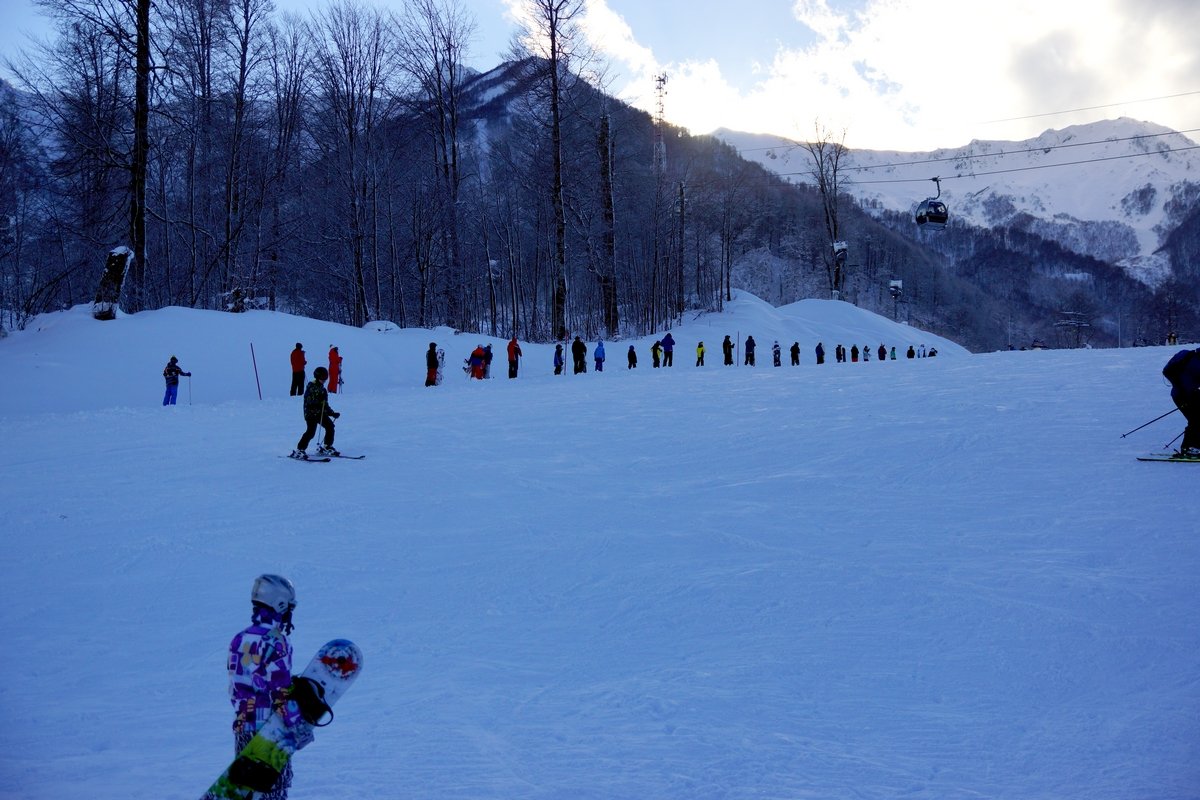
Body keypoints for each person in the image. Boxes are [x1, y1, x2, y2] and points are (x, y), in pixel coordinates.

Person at [227, 574, 299, 800]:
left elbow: (236, 686)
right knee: (273, 788)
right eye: (288, 608)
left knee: (248, 787)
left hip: (244, 726)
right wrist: (296, 723)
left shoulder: (239, 639)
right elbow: (281, 690)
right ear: (279, 604)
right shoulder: (276, 641)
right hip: (271, 729)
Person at [292, 366, 339, 458]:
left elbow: (325, 404)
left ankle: (327, 446)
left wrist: (332, 413)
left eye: (325, 379)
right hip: (310, 413)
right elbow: (309, 402)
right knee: (311, 432)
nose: (324, 381)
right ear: (317, 377)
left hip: (319, 413)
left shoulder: (323, 389)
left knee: (330, 426)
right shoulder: (311, 387)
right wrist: (318, 403)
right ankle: (300, 450)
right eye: (322, 379)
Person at [1163, 346, 1200, 457]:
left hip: (1188, 393)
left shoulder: (1188, 355)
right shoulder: (1192, 360)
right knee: (1196, 419)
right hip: (1182, 395)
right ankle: (1189, 448)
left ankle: (1192, 446)